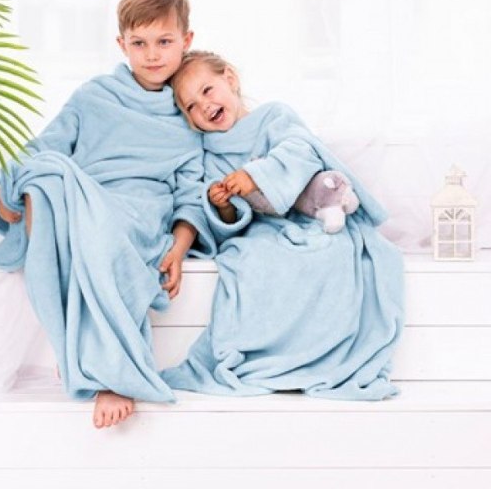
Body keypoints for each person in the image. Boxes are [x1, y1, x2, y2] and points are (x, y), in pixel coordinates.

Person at [0, 0, 216, 428]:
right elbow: (47, 145)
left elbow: (192, 191)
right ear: (121, 44)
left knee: (106, 235)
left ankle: (113, 375)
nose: (152, 54)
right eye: (139, 43)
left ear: (186, 41)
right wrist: (8, 184)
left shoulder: (187, 110)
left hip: (142, 209)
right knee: (46, 173)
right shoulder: (94, 96)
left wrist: (179, 245)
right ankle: (76, 343)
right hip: (87, 194)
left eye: (164, 41)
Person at [161, 50, 404, 400]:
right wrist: (225, 205)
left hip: (307, 213)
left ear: (230, 78)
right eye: (191, 107)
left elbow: (302, 150)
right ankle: (271, 355)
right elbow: (230, 224)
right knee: (252, 262)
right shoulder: (210, 153)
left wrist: (256, 176)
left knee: (333, 250)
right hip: (261, 229)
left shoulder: (274, 117)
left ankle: (325, 355)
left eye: (207, 90)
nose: (204, 106)